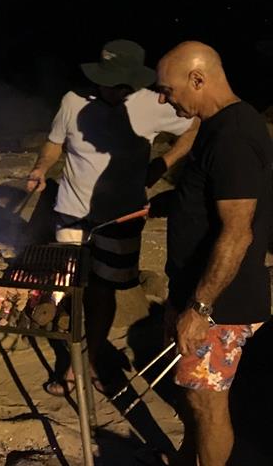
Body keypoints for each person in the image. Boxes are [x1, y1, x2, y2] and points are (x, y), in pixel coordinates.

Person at [26, 39, 198, 396]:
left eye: (124, 83)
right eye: (111, 81)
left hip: (122, 217)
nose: (118, 90)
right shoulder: (74, 101)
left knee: (103, 292)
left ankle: (88, 361)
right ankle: (70, 361)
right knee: (71, 290)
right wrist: (42, 167)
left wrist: (163, 164)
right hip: (72, 214)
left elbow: (195, 126)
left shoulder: (153, 103)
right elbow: (56, 141)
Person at [156, 41, 271, 466]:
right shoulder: (217, 125)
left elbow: (238, 232)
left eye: (167, 89)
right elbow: (212, 200)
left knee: (208, 404)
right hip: (197, 292)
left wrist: (201, 307)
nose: (162, 98)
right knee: (191, 392)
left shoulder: (235, 137)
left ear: (198, 79)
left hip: (221, 304)